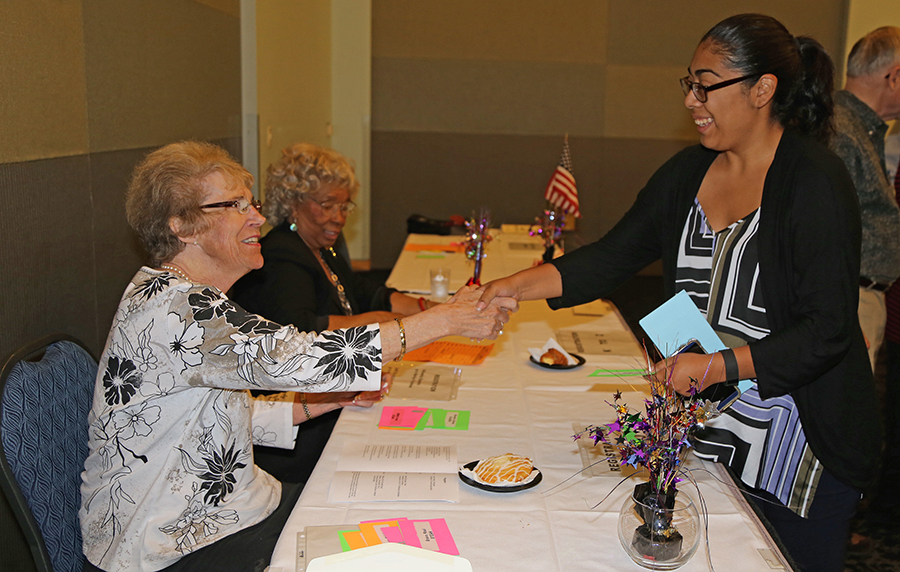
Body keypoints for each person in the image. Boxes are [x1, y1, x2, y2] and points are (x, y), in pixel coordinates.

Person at [477, 14, 877, 572]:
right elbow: (613, 255)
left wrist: (717, 365)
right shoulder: (690, 170)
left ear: (763, 89)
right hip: (709, 432)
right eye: (689, 83)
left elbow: (827, 329)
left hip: (798, 447)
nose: (692, 100)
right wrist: (513, 287)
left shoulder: (814, 180)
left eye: (706, 84)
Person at [79, 141, 515, 572]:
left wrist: (318, 403)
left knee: (384, 515)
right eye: (235, 206)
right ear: (183, 226)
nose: (258, 218)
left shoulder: (180, 296)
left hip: (230, 509)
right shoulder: (177, 311)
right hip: (166, 542)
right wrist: (443, 321)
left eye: (253, 203)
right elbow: (303, 356)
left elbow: (212, 416)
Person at [230, 144, 435, 482]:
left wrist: (423, 307)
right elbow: (301, 333)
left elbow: (361, 291)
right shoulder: (281, 257)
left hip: (330, 393)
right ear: (293, 204)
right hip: (297, 426)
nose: (338, 217)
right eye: (327, 205)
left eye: (343, 205)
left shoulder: (322, 248)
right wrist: (374, 324)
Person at [830, 26, 900, 370]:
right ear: (895, 77)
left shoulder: (862, 127)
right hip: (847, 298)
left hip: (861, 295)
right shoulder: (842, 131)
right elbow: (825, 233)